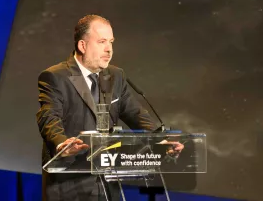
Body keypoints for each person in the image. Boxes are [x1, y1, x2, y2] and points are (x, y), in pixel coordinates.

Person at [37, 14, 182, 201]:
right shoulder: (55, 76)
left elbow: (135, 114)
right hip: (69, 185)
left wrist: (161, 139)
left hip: (107, 184)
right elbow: (49, 116)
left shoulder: (116, 75)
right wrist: (61, 143)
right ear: (82, 46)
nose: (109, 49)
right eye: (102, 42)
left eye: (111, 42)